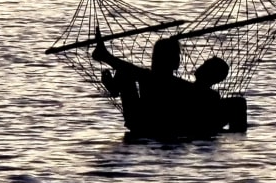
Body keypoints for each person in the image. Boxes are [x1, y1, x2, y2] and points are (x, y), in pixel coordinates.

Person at [93, 35, 229, 138]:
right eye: (177, 55)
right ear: (175, 62)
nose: (179, 59)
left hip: (147, 124)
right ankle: (113, 83)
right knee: (127, 72)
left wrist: (107, 57)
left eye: (206, 65)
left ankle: (113, 83)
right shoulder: (181, 85)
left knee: (128, 72)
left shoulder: (196, 91)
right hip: (150, 123)